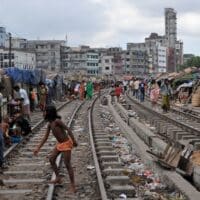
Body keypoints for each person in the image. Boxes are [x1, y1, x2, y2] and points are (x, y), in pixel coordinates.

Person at [33, 105, 77, 193]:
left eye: (45, 111)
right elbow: (45, 137)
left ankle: (73, 186)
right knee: (51, 159)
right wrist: (38, 148)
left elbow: (68, 129)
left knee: (67, 164)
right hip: (60, 144)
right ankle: (58, 178)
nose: (43, 113)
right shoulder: (50, 124)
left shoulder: (57, 121)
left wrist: (74, 140)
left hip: (66, 144)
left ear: (49, 113)